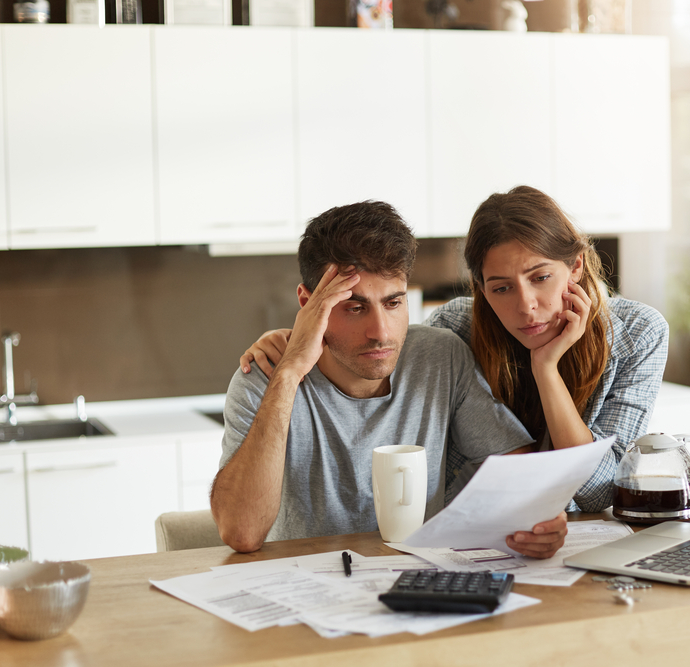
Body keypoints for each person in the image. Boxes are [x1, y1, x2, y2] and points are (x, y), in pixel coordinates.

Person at [241, 186, 668, 513]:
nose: (525, 306)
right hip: (477, 538)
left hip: (569, 536)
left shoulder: (638, 335)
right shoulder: (458, 329)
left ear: (574, 265)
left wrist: (546, 369)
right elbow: (377, 350)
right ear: (481, 288)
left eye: (540, 278)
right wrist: (295, 341)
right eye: (501, 288)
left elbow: (597, 493)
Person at [211, 200, 568, 557]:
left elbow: (519, 472)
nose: (380, 332)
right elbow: (242, 534)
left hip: (419, 582)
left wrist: (538, 520)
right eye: (354, 307)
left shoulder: (441, 357)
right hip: (306, 587)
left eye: (393, 303)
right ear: (308, 303)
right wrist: (289, 374)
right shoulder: (265, 378)